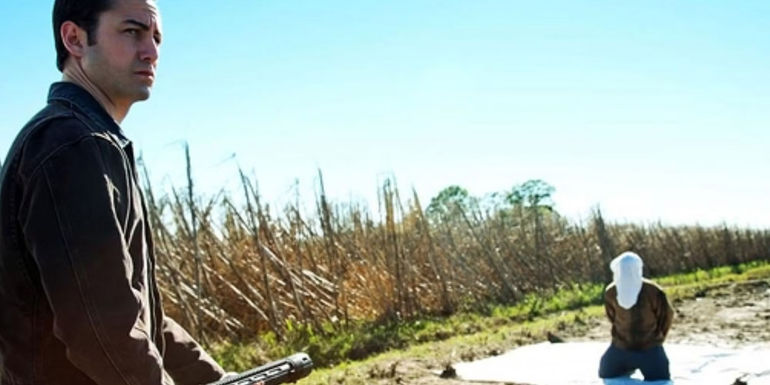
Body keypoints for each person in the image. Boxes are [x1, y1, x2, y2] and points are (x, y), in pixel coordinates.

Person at [0, 1, 229, 384]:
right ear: (75, 39)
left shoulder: (91, 141)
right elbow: (102, 334)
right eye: (132, 32)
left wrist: (215, 379)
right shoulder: (70, 145)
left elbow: (136, 318)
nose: (152, 51)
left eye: (156, 37)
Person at [598, 251, 674, 382]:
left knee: (660, 378)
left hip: (649, 348)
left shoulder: (653, 291)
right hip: (621, 348)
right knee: (606, 372)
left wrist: (657, 339)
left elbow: (666, 315)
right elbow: (612, 317)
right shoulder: (611, 292)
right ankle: (628, 364)